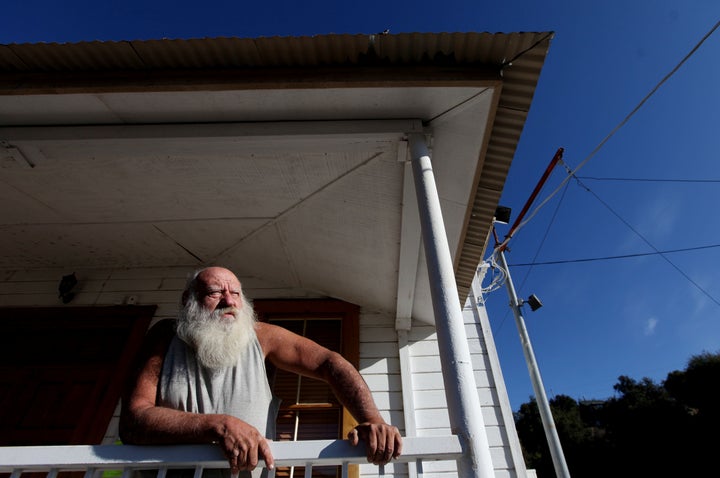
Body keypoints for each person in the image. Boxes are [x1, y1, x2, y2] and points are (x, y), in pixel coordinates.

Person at [120, 266, 402, 477]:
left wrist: (373, 420)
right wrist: (219, 425)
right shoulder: (164, 337)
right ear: (188, 300)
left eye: (236, 293)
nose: (228, 301)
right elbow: (134, 422)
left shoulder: (260, 336)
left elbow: (330, 362)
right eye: (215, 292)